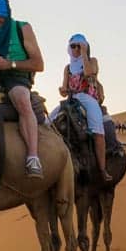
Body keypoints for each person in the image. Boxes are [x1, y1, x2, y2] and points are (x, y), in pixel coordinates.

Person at [0, 0, 45, 179]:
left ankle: (33, 157)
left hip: (15, 75)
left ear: (5, 12)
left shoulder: (21, 28)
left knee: (21, 99)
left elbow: (39, 64)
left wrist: (9, 64)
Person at [51, 34, 112, 181]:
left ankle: (102, 169)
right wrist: (63, 90)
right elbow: (65, 88)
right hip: (72, 98)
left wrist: (84, 54)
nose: (76, 49)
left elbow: (89, 73)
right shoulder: (68, 68)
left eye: (80, 46)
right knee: (49, 122)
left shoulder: (92, 61)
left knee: (98, 130)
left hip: (88, 98)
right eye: (73, 46)